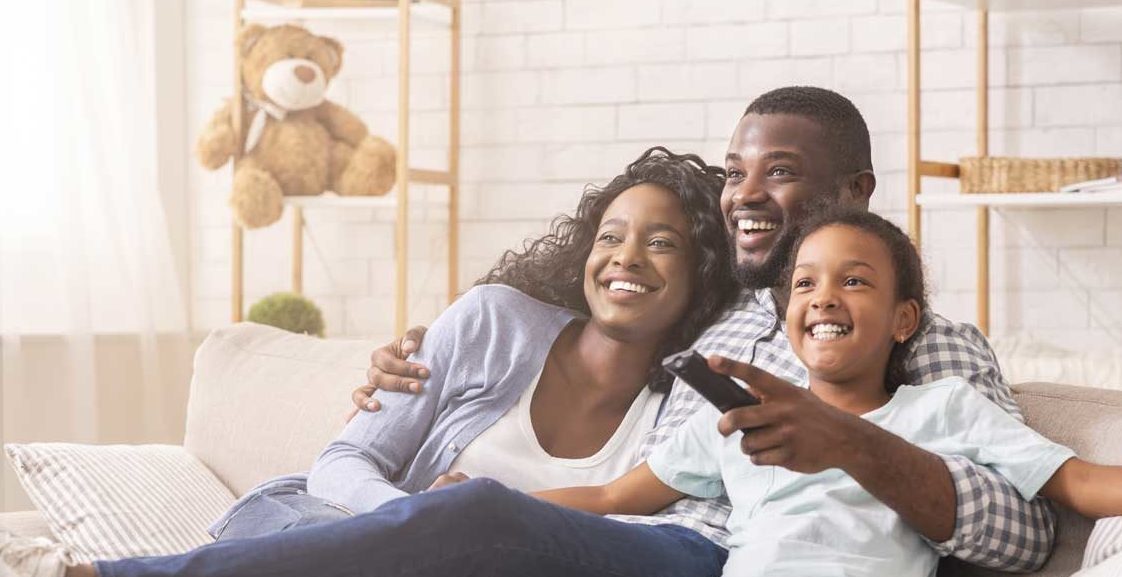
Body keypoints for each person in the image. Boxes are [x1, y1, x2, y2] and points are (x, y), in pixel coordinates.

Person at [359, 86, 1058, 571]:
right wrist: (430, 351)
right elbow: (601, 302)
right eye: (734, 173)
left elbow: (1026, 532)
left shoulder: (925, 342)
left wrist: (850, 441)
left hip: (711, 554)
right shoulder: (711, 311)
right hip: (607, 534)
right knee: (328, 512)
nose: (745, 194)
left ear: (856, 191)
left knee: (467, 530)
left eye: (779, 172)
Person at [3, 147, 737, 577]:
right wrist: (420, 512)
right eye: (610, 236)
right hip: (316, 525)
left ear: (701, 269)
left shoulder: (678, 412)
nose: (626, 258)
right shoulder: (494, 322)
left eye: (661, 242)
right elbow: (344, 459)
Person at [531, 208, 1122, 577]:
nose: (823, 296)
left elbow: (1080, 483)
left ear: (904, 320)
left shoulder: (945, 407)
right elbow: (611, 497)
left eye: (855, 281)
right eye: (804, 283)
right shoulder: (741, 418)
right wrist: (496, 495)